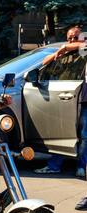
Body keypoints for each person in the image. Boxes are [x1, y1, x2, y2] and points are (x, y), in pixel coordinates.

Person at [35, 26, 87, 178]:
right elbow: (44, 63)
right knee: (64, 133)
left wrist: (65, 46)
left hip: (83, 100)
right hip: (66, 99)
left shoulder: (83, 51)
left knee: (84, 135)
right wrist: (56, 54)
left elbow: (83, 45)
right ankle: (54, 165)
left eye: (75, 37)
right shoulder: (64, 56)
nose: (71, 40)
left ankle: (81, 166)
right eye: (69, 38)